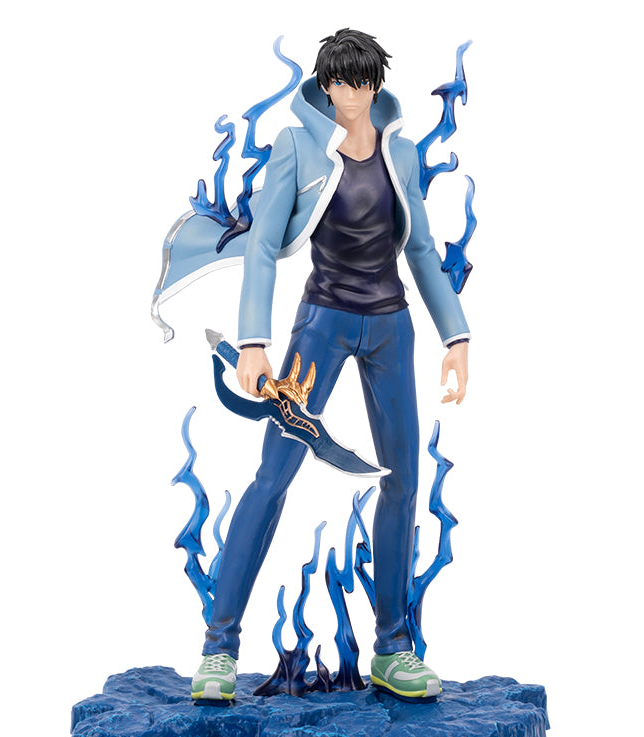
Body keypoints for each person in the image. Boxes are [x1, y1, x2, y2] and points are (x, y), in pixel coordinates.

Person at [191, 28, 470, 702]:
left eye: (362, 81)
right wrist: (253, 341)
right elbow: (262, 246)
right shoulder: (297, 146)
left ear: (376, 83)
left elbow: (421, 251)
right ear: (325, 85)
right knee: (273, 475)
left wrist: (456, 335)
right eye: (340, 82)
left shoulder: (402, 153)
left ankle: (393, 648)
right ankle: (219, 648)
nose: (351, 93)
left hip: (391, 327)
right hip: (322, 324)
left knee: (403, 479)